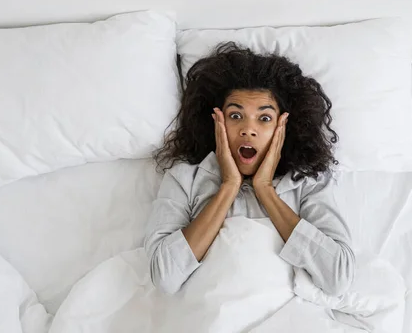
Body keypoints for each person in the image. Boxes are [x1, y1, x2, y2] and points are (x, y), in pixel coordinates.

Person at [144, 42, 355, 295]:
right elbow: (164, 277)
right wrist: (228, 187)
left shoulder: (307, 182)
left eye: (264, 118)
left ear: (283, 126)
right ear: (216, 120)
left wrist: (265, 190)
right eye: (235, 116)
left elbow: (339, 278)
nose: (248, 129)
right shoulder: (184, 179)